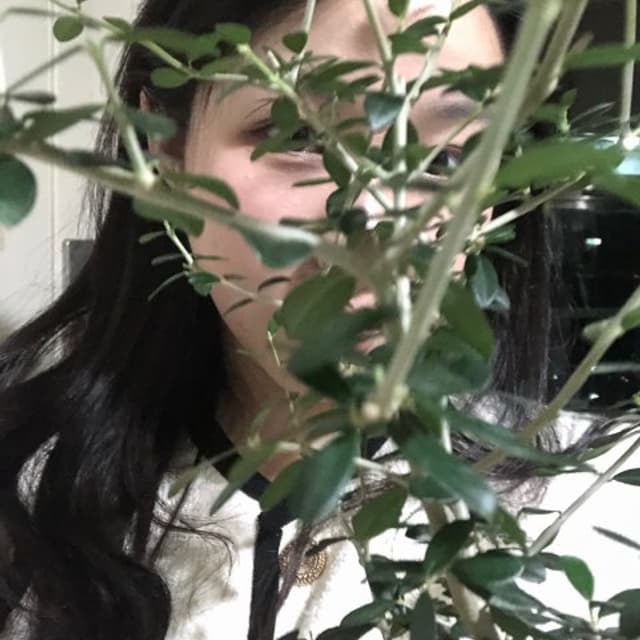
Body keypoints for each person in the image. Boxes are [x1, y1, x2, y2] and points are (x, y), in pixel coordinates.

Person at [0, 1, 559, 639]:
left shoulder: (587, 507)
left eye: (449, 161)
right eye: (299, 137)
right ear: (167, 152)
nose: (380, 233)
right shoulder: (25, 492)